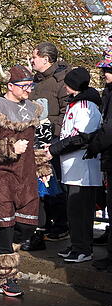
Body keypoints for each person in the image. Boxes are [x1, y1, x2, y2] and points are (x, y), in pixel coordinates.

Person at [0, 66, 42, 296]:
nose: (28, 90)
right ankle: (5, 279)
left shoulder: (32, 109)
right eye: (24, 86)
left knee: (27, 225)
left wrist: (43, 166)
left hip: (25, 176)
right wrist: (10, 147)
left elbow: (34, 145)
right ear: (10, 86)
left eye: (30, 85)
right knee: (5, 227)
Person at [49, 67, 102, 264]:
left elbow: (81, 137)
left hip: (83, 168)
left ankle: (83, 248)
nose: (64, 86)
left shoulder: (87, 105)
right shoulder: (75, 104)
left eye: (68, 83)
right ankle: (77, 243)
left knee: (81, 210)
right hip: (72, 167)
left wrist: (56, 149)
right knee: (73, 210)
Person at [30, 42, 69, 240]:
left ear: (45, 59)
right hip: (36, 139)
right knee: (41, 185)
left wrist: (55, 136)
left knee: (53, 183)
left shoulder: (60, 81)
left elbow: (65, 110)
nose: (31, 60)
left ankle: (61, 224)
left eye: (34, 57)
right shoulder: (36, 81)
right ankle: (44, 225)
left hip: (51, 140)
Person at [86, 51, 112, 270]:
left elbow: (109, 128)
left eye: (108, 70)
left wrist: (94, 146)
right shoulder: (108, 92)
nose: (104, 73)